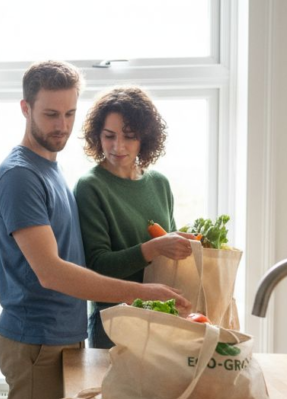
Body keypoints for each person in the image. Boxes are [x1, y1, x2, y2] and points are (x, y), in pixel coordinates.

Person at [0, 62, 188, 399]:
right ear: (25, 108)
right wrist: (143, 291)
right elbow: (51, 272)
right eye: (50, 113)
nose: (61, 124)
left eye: (69, 113)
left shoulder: (49, 169)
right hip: (32, 338)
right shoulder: (19, 177)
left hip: (60, 338)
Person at [74, 87, 197, 348]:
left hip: (162, 318)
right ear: (98, 136)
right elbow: (97, 266)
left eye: (129, 137)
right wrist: (153, 248)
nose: (118, 146)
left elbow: (169, 263)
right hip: (115, 322)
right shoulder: (91, 187)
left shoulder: (159, 183)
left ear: (145, 139)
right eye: (109, 136)